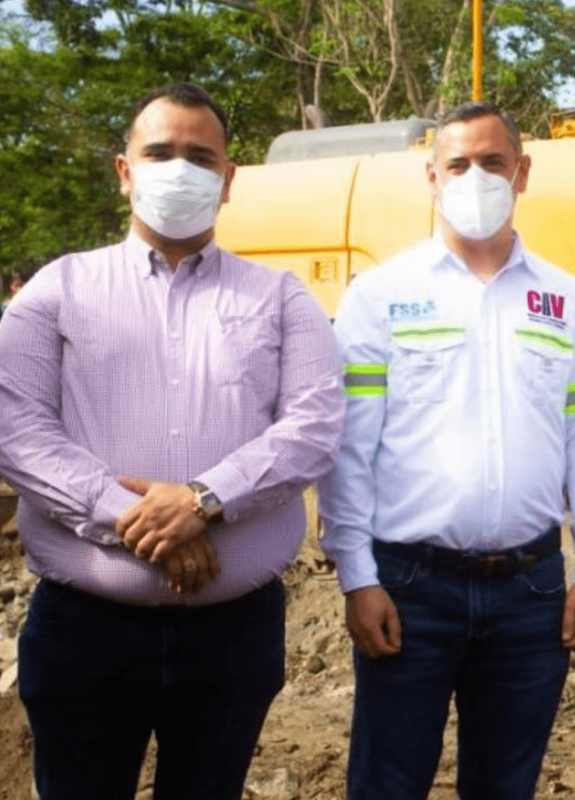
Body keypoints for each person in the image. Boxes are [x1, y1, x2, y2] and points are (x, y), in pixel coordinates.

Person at [0, 82, 345, 800]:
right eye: (159, 153)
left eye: (200, 156)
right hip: (84, 634)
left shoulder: (281, 297)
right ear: (124, 170)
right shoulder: (56, 290)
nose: (179, 169)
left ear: (228, 179)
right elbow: (17, 430)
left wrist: (204, 500)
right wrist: (142, 521)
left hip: (233, 637)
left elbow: (313, 427)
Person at [318, 99, 575, 800]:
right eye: (458, 164)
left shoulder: (566, 301)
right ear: (432, 177)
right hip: (409, 589)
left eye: (492, 161)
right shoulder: (380, 295)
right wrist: (357, 578)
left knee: (506, 785)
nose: (475, 177)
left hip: (531, 591)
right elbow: (349, 451)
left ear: (522, 173)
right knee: (389, 783)